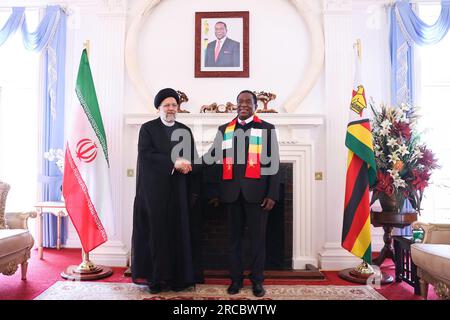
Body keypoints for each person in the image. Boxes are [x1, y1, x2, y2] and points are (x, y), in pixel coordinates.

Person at [201, 90, 281, 297]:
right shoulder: (225, 129)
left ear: (255, 105)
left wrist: (272, 194)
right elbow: (212, 157)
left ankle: (257, 281)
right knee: (233, 240)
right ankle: (235, 280)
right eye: (240, 101)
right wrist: (191, 164)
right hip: (230, 194)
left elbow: (274, 164)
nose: (243, 104)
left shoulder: (267, 129)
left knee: (257, 241)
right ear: (236, 105)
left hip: (258, 195)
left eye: (248, 101)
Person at [131, 88, 202, 293]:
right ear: (158, 108)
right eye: (166, 105)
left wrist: (191, 164)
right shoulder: (148, 129)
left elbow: (192, 157)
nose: (171, 108)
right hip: (154, 194)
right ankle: (156, 279)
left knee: (177, 232)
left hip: (179, 192)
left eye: (174, 105)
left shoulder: (185, 130)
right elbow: (146, 155)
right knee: (157, 234)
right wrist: (174, 162)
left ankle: (177, 279)